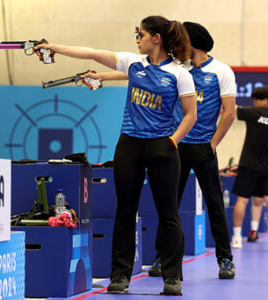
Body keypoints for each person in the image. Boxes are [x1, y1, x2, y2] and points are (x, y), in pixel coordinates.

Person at [35, 15, 197, 295]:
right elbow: (92, 53)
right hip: (129, 146)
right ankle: (120, 276)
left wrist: (172, 141)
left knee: (169, 215)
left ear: (156, 39)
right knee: (124, 212)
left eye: (141, 34)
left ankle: (172, 277)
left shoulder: (180, 74)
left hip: (162, 147)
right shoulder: (134, 63)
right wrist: (55, 48)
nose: (137, 38)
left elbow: (190, 115)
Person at [83, 21, 237, 279]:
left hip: (203, 147)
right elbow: (132, 72)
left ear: (194, 43)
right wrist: (102, 76)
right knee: (169, 206)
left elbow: (230, 112)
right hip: (173, 145)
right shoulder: (179, 68)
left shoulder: (221, 71)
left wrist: (212, 144)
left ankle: (225, 259)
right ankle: (160, 257)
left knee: (214, 204)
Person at [231, 86, 268, 250]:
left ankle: (236, 238)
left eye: (256, 100)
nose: (254, 103)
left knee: (242, 200)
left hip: (248, 166)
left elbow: (230, 108)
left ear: (264, 100)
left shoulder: (254, 114)